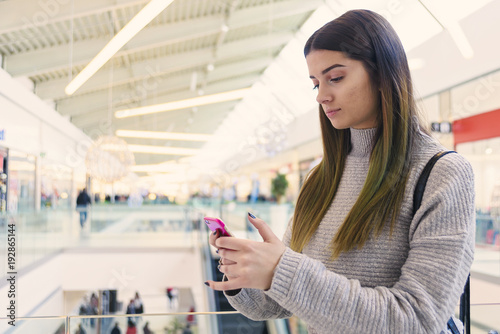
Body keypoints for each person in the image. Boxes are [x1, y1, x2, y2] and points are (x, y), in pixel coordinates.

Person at [205, 9, 475, 334]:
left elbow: (417, 320)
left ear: (381, 74)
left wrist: (282, 269)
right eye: (315, 83)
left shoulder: (442, 174)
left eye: (335, 78)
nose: (321, 96)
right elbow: (277, 302)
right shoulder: (320, 178)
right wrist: (245, 268)